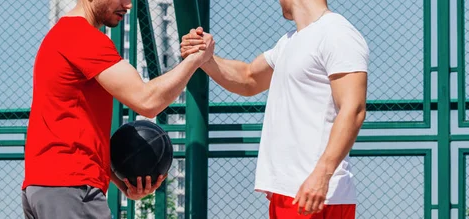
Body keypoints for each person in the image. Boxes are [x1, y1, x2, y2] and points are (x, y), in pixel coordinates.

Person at [20, 0, 214, 218]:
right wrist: (196, 59)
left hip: (45, 187)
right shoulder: (81, 36)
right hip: (70, 187)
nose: (128, 4)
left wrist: (117, 178)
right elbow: (147, 101)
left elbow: (67, 129)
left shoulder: (60, 35)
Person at [180, 0, 368, 218]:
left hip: (316, 195)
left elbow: (353, 108)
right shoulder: (290, 41)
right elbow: (248, 78)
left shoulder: (337, 32)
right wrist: (204, 56)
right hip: (289, 193)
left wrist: (322, 174)